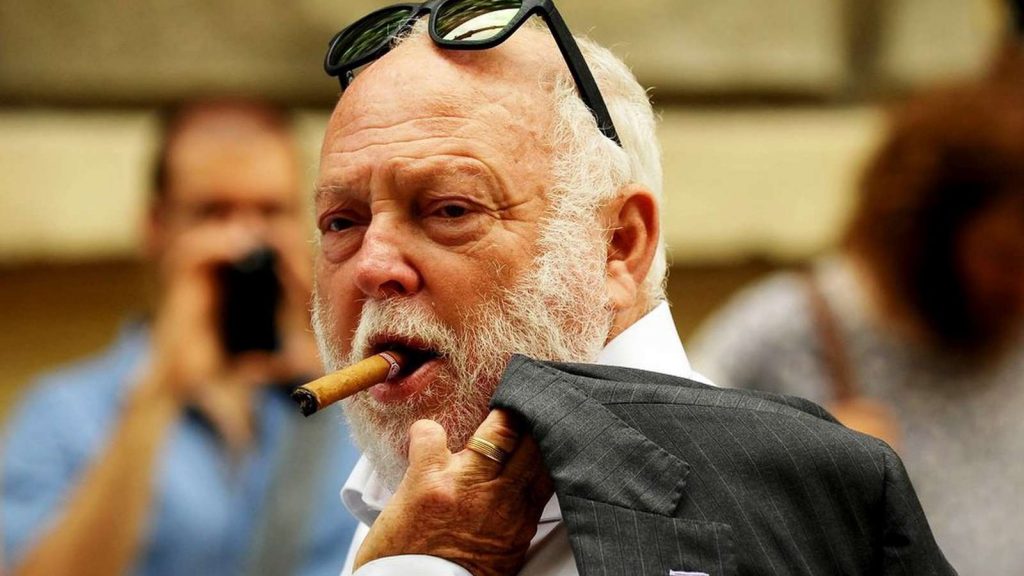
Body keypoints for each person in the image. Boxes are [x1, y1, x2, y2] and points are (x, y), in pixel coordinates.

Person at [309, 3, 955, 575]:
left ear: (618, 244)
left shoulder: (794, 503)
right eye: (341, 223)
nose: (373, 267)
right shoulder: (397, 504)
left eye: (450, 210)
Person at [691, 54, 1024, 574]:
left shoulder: (1011, 333)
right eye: (1003, 258)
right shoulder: (788, 328)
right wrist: (798, 466)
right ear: (930, 235)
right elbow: (664, 491)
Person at [1, 101, 361, 576]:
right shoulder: (65, 414)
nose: (246, 242)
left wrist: (327, 346)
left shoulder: (360, 399)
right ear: (156, 226)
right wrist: (158, 391)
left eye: (271, 212)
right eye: (213, 213)